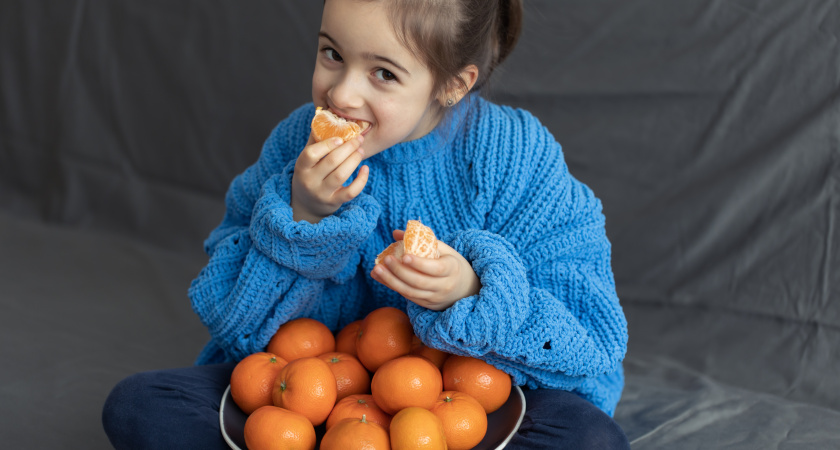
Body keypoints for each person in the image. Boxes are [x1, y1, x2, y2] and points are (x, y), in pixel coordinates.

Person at [102, 0, 630, 448]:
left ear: (451, 84)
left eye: (383, 73)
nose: (341, 95)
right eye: (332, 54)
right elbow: (233, 323)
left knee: (589, 438)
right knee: (140, 407)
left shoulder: (514, 155)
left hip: (458, 410)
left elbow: (593, 338)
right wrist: (302, 219)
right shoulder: (295, 144)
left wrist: (472, 293)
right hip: (319, 404)